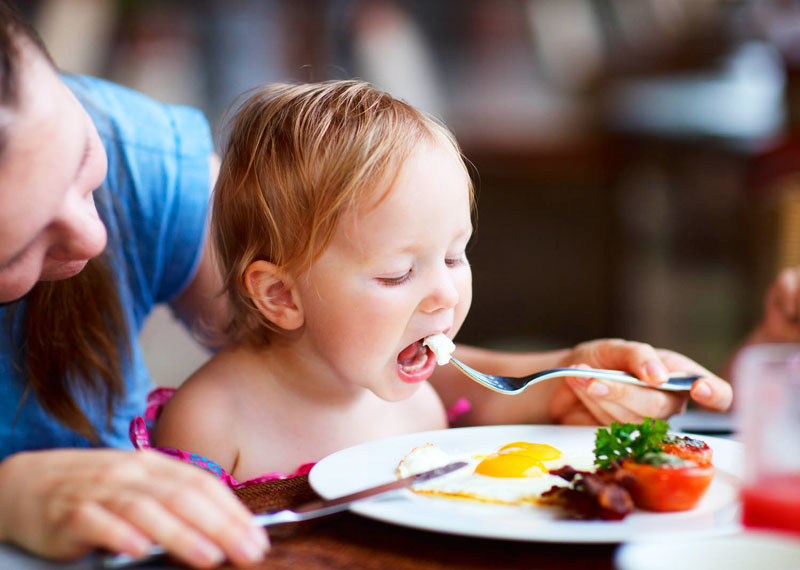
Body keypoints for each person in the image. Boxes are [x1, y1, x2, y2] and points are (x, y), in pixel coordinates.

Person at [146, 80, 733, 485]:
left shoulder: (421, 404)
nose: (446, 295)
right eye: (398, 273)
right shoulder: (212, 424)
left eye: (454, 257)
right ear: (281, 295)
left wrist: (585, 380)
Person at [0, 2, 268, 567]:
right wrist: (10, 498)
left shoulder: (139, 153)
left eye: (80, 157)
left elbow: (324, 353)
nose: (94, 236)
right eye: (19, 250)